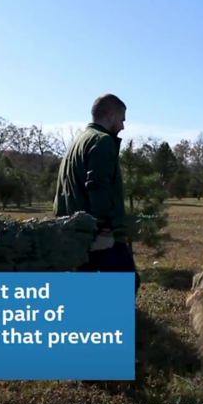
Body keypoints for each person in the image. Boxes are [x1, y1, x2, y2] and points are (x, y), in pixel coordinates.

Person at [53, 93, 140, 293]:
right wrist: (103, 228)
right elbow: (97, 187)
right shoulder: (102, 142)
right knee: (127, 282)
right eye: (122, 119)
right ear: (110, 115)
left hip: (73, 227)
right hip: (95, 230)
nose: (123, 126)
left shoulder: (78, 141)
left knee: (83, 282)